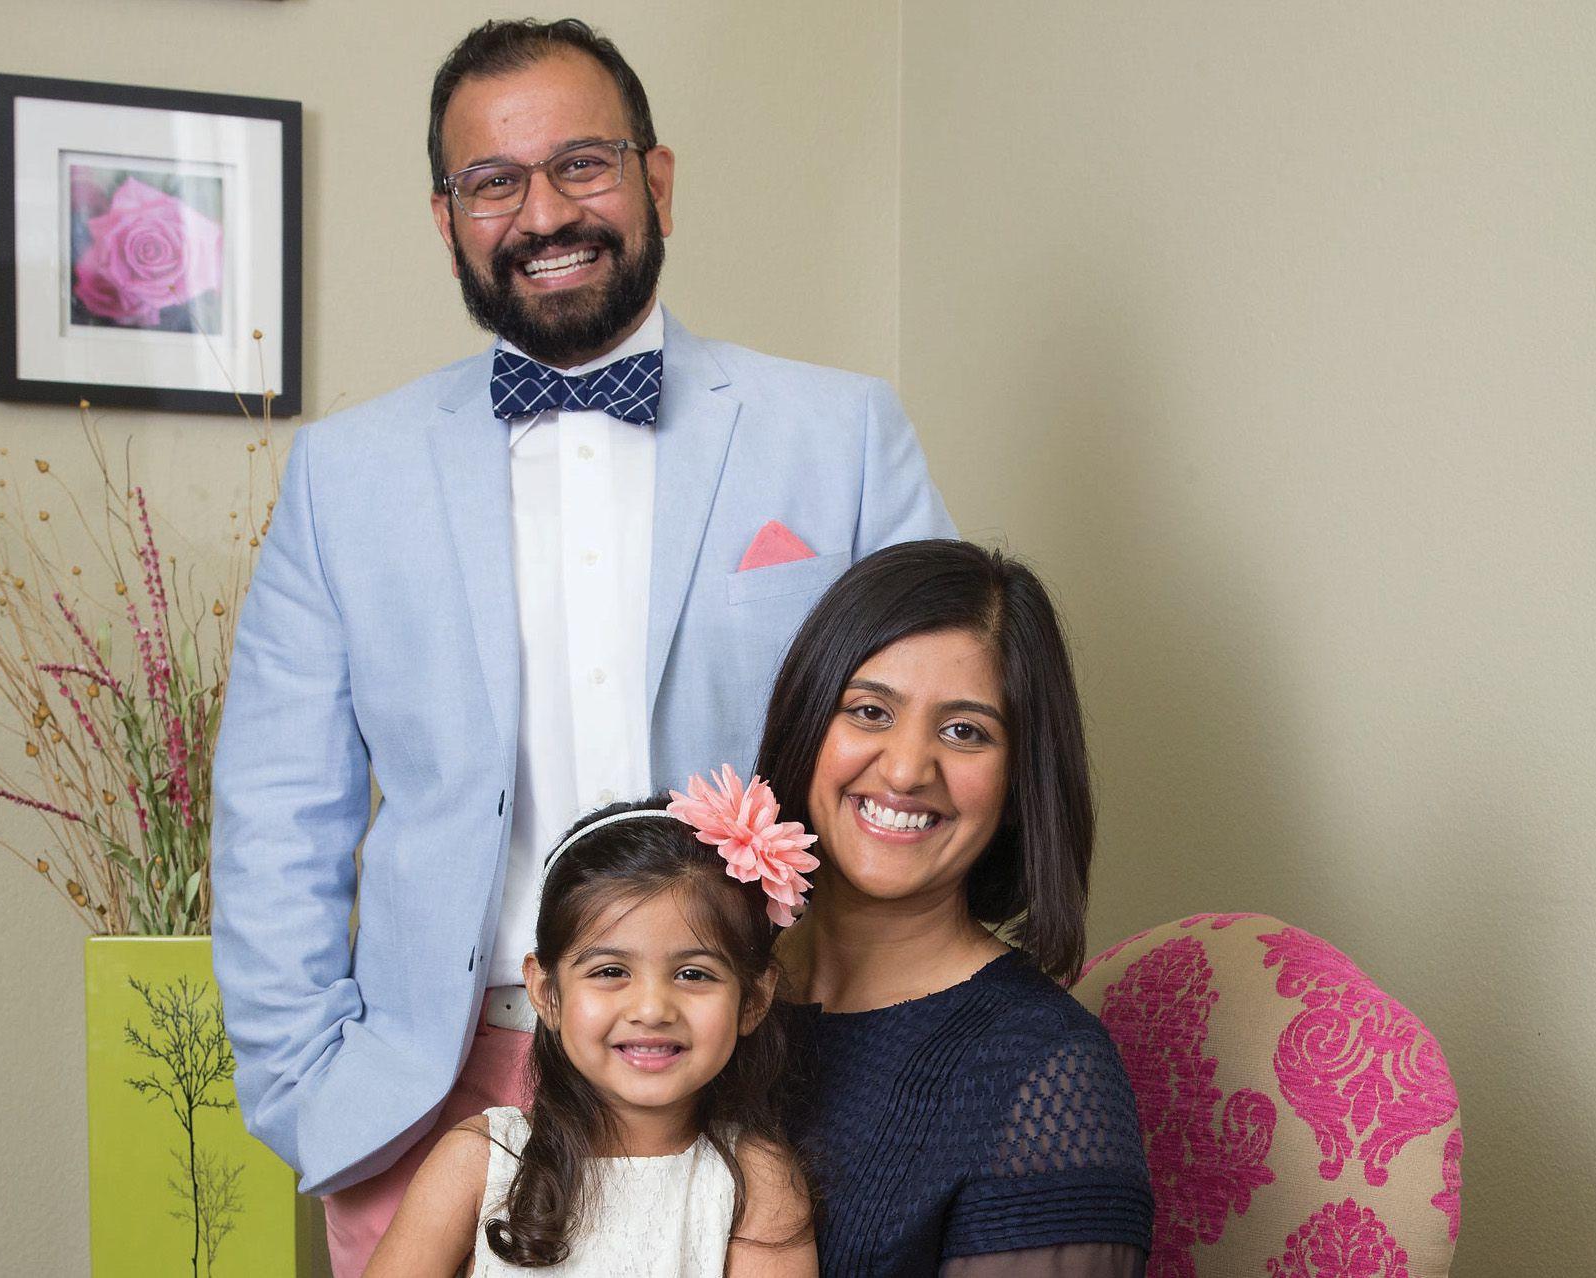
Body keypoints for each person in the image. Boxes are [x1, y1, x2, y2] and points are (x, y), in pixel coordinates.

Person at [210, 16, 952, 1276]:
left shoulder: (842, 435)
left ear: (656, 179)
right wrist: (308, 1084)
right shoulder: (344, 475)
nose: (544, 212)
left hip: (765, 1071)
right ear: (446, 219)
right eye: (493, 182)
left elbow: (925, 753)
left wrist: (880, 1032)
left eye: (582, 165)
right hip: (434, 1090)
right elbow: (276, 812)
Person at [756, 540, 1154, 1277]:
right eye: (869, 711)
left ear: (1019, 781)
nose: (906, 769)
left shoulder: (1046, 1072)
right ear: (804, 726)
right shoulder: (690, 991)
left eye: (964, 730)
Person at [362, 772, 819, 1277]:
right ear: (546, 992)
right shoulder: (479, 1161)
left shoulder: (758, 1181)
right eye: (610, 972)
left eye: (693, 974)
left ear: (754, 998)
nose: (652, 1009)